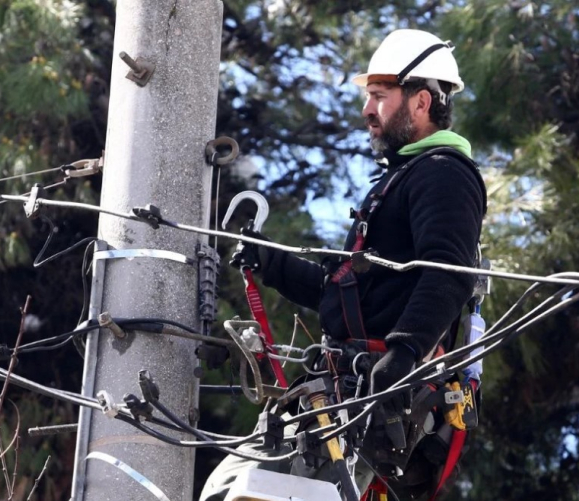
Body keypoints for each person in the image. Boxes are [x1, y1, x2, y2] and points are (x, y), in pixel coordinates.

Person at [201, 29, 486, 501]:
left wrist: (403, 356)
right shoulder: (400, 180)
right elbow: (343, 294)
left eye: (379, 96)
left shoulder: (443, 173)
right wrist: (271, 261)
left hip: (375, 393)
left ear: (421, 102)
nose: (366, 110)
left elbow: (449, 272)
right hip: (343, 390)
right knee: (231, 488)